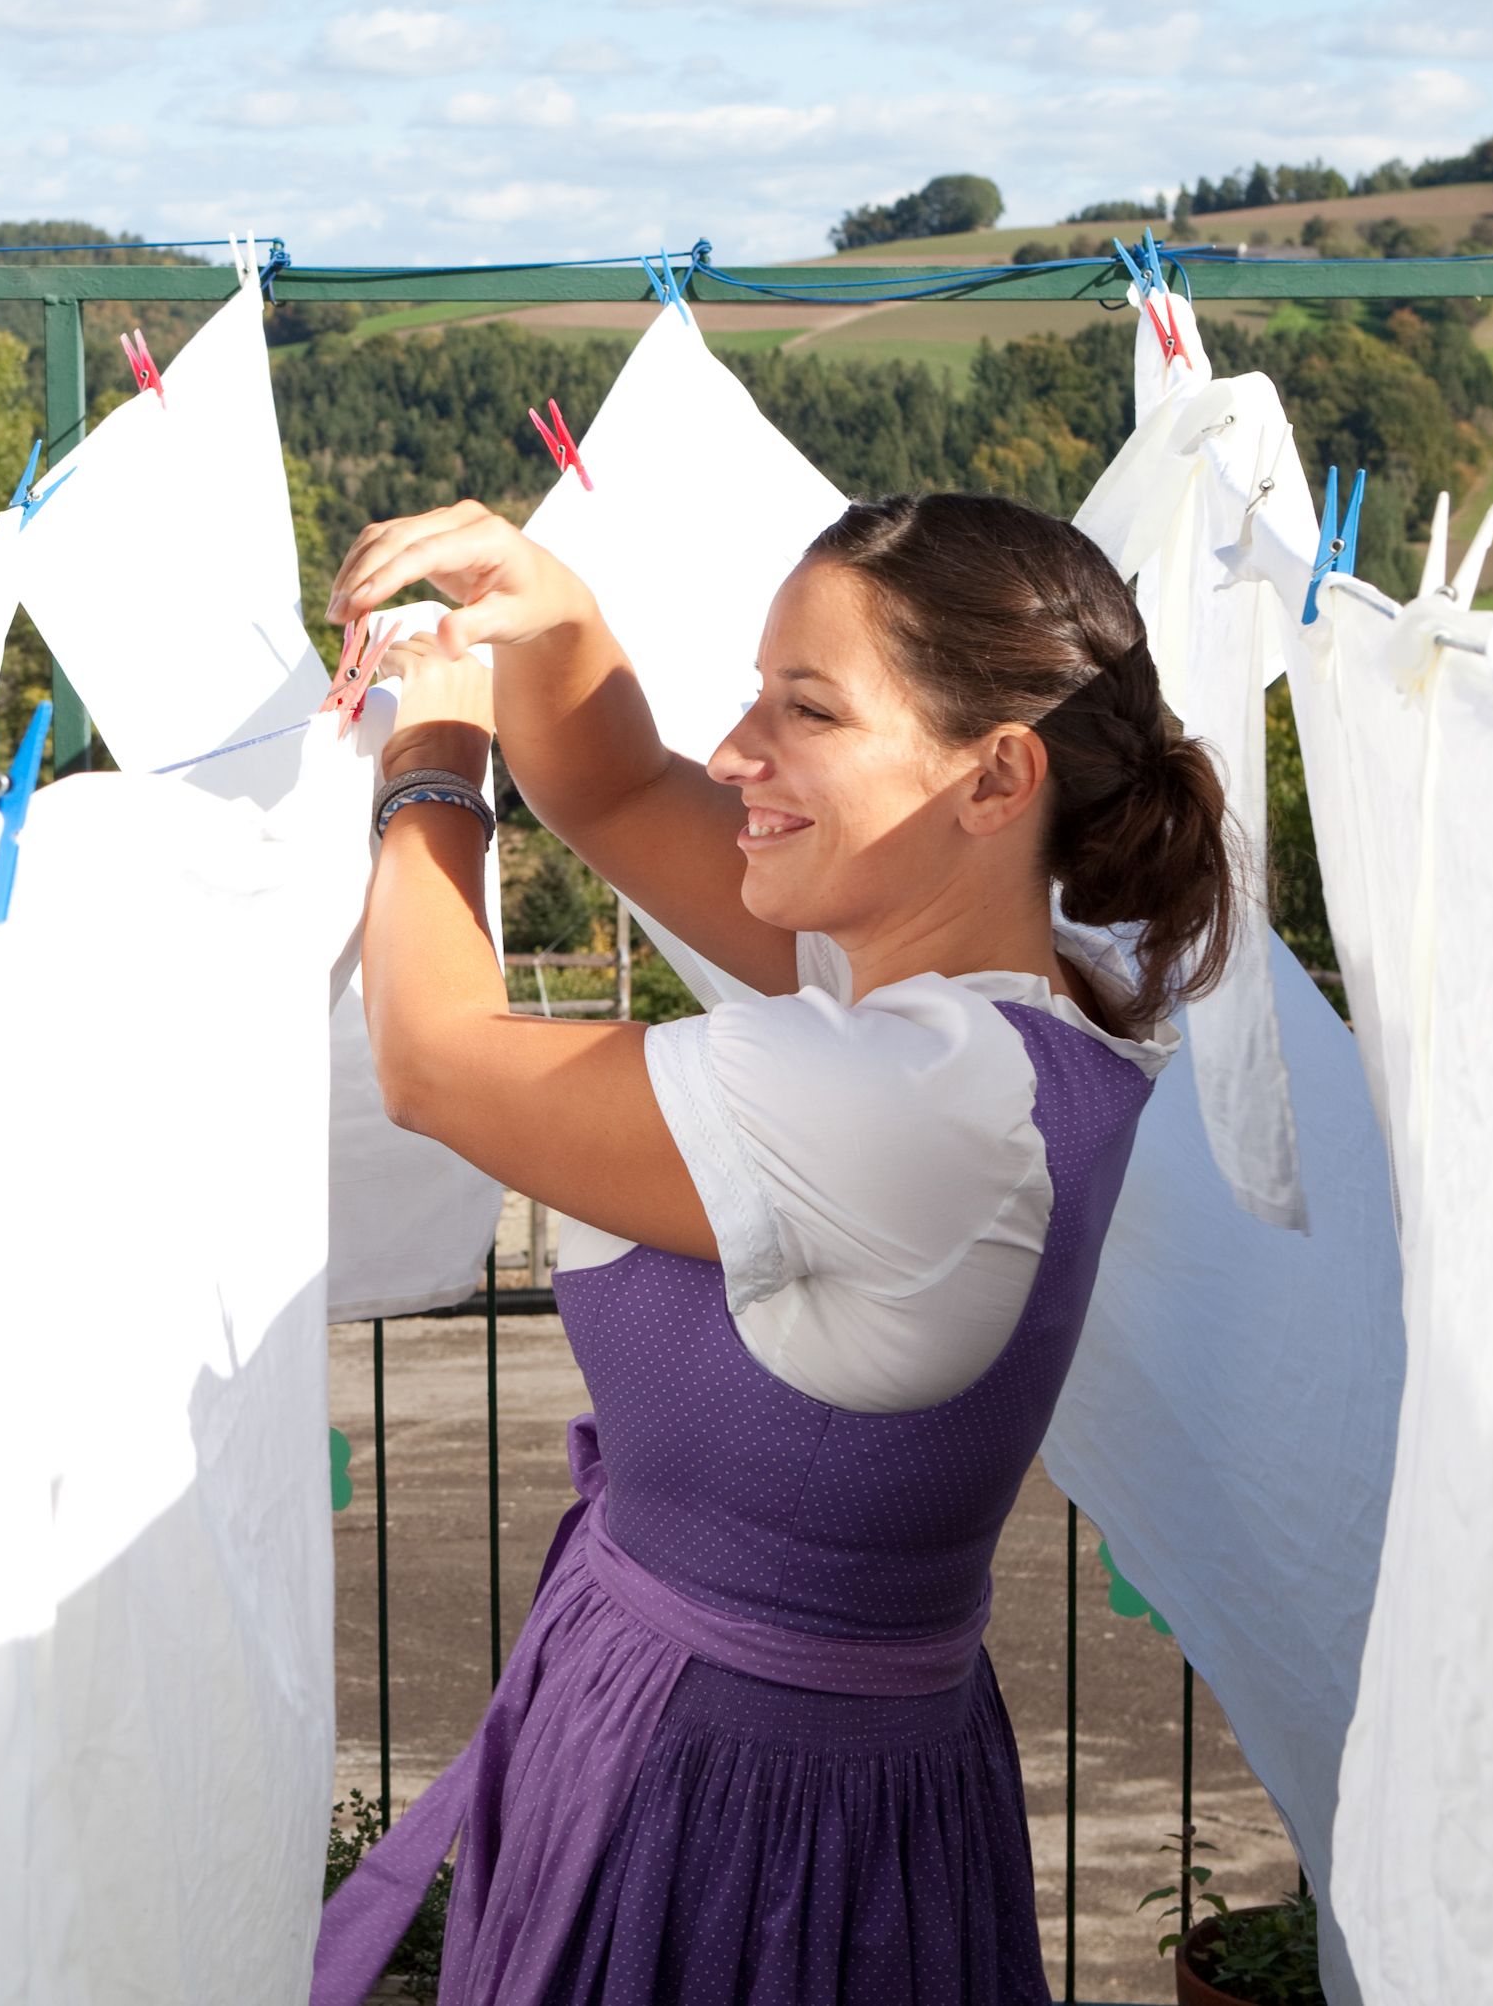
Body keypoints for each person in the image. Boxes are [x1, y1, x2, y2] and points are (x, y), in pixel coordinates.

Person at [315, 490, 1241, 2006]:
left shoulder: (908, 1099)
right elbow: (619, 792)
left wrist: (437, 748)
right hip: (735, 1743)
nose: (741, 749)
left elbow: (434, 1058)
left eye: (805, 708)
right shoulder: (963, 996)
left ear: (995, 776)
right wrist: (553, 608)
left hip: (733, 1820)